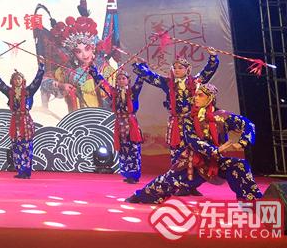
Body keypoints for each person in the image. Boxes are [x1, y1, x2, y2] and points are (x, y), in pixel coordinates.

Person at [126, 83, 262, 204]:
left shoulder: (223, 116)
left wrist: (242, 142)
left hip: (215, 162)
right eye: (195, 95)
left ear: (210, 98)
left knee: (239, 165)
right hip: (194, 162)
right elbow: (193, 141)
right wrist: (215, 150)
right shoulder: (189, 118)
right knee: (166, 181)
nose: (195, 98)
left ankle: (252, 199)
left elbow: (248, 125)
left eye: (200, 95)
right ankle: (140, 196)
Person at [132, 49, 218, 195]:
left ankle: (191, 185)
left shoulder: (196, 82)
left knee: (194, 153)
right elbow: (150, 77)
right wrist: (137, 65)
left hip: (192, 123)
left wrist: (213, 56)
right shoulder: (168, 83)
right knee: (177, 153)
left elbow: (208, 71)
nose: (177, 70)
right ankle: (178, 185)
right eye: (175, 67)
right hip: (176, 124)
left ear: (187, 70)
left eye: (180, 68)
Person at [0, 56, 45, 178]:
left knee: (27, 147)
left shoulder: (29, 91)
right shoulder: (10, 93)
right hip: (15, 122)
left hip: (25, 122)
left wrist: (41, 66)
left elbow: (38, 80)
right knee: (16, 147)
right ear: (12, 81)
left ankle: (26, 171)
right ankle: (20, 171)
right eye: (15, 79)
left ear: (23, 80)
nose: (17, 80)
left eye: (19, 78)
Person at [44, 15, 115, 112]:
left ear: (93, 47)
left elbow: (118, 92)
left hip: (104, 115)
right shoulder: (67, 71)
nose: (84, 54)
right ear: (72, 53)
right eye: (78, 51)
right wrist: (61, 85)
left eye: (87, 49)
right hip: (78, 117)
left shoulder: (104, 68)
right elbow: (44, 81)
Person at [90, 66, 144, 183]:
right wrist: (93, 70)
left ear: (128, 80)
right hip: (120, 124)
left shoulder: (133, 91)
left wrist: (141, 67)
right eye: (119, 79)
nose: (121, 81)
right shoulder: (114, 92)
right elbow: (102, 83)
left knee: (133, 150)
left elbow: (140, 79)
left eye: (123, 78)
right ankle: (126, 173)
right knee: (123, 150)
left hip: (131, 124)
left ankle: (134, 175)